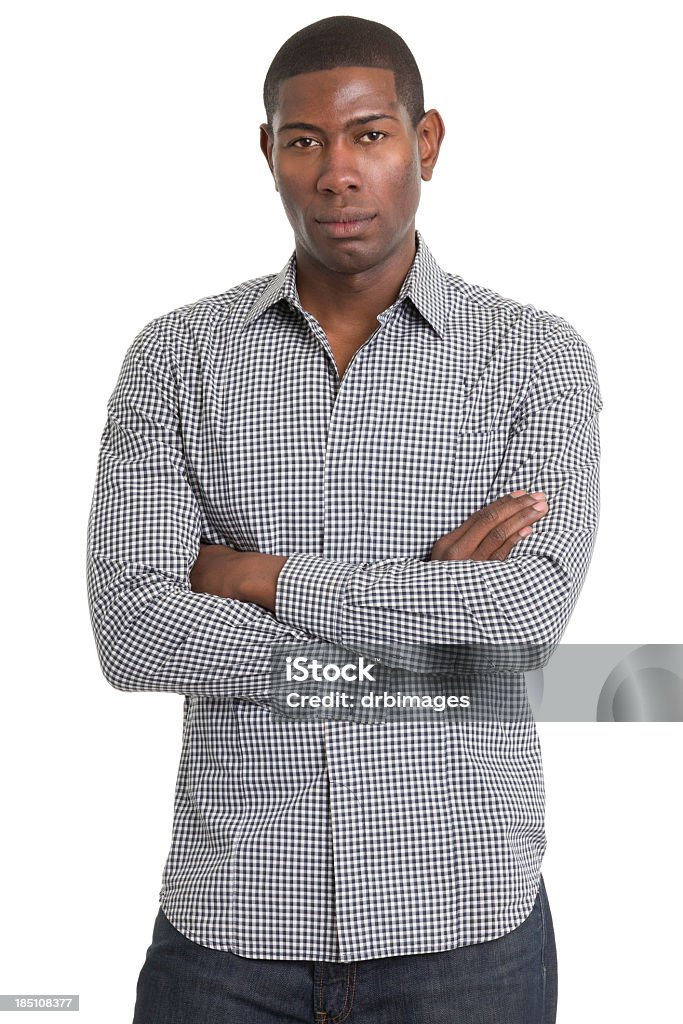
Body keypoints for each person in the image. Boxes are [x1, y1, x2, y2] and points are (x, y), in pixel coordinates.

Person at [86, 14, 602, 1024]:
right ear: (269, 153)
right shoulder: (175, 359)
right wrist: (425, 632)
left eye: (368, 134)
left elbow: (524, 622)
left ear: (427, 142)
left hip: (467, 931)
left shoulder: (535, 358)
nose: (336, 173)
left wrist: (260, 576)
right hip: (231, 929)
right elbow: (133, 630)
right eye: (303, 139)